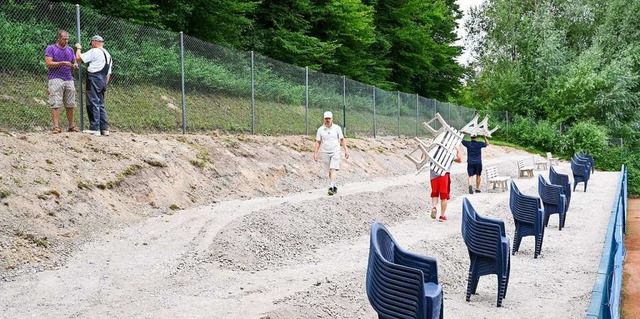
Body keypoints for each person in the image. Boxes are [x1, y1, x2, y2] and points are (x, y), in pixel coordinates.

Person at [75, 35, 112, 136]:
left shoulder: (94, 51)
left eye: (91, 44)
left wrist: (78, 48)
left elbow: (78, 58)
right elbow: (108, 73)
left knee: (92, 102)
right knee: (100, 103)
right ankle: (104, 128)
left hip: (94, 78)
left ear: (95, 42)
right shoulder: (108, 55)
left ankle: (94, 128)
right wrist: (104, 84)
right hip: (103, 80)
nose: (91, 46)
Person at [45, 30, 79, 133]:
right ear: (59, 38)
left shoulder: (70, 50)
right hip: (55, 77)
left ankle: (71, 126)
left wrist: (75, 64)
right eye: (64, 39)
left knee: (70, 103)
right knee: (55, 102)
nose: (66, 40)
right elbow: (48, 63)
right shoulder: (51, 48)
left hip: (69, 78)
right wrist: (62, 63)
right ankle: (56, 126)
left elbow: (74, 61)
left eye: (67, 39)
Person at [314, 111, 349, 195]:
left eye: (329, 118)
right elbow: (318, 142)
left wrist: (346, 150)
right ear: (324, 119)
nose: (328, 120)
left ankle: (330, 187)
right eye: (326, 119)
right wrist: (315, 153)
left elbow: (342, 139)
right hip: (325, 151)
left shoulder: (337, 128)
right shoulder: (320, 130)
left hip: (335, 151)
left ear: (332, 119)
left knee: (332, 169)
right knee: (329, 170)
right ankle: (334, 185)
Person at [429, 144, 462, 222]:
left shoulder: (433, 150)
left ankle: (434, 207)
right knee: (444, 196)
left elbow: (423, 158)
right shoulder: (449, 153)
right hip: (444, 175)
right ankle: (442, 216)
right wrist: (458, 149)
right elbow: (460, 160)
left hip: (433, 175)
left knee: (435, 193)